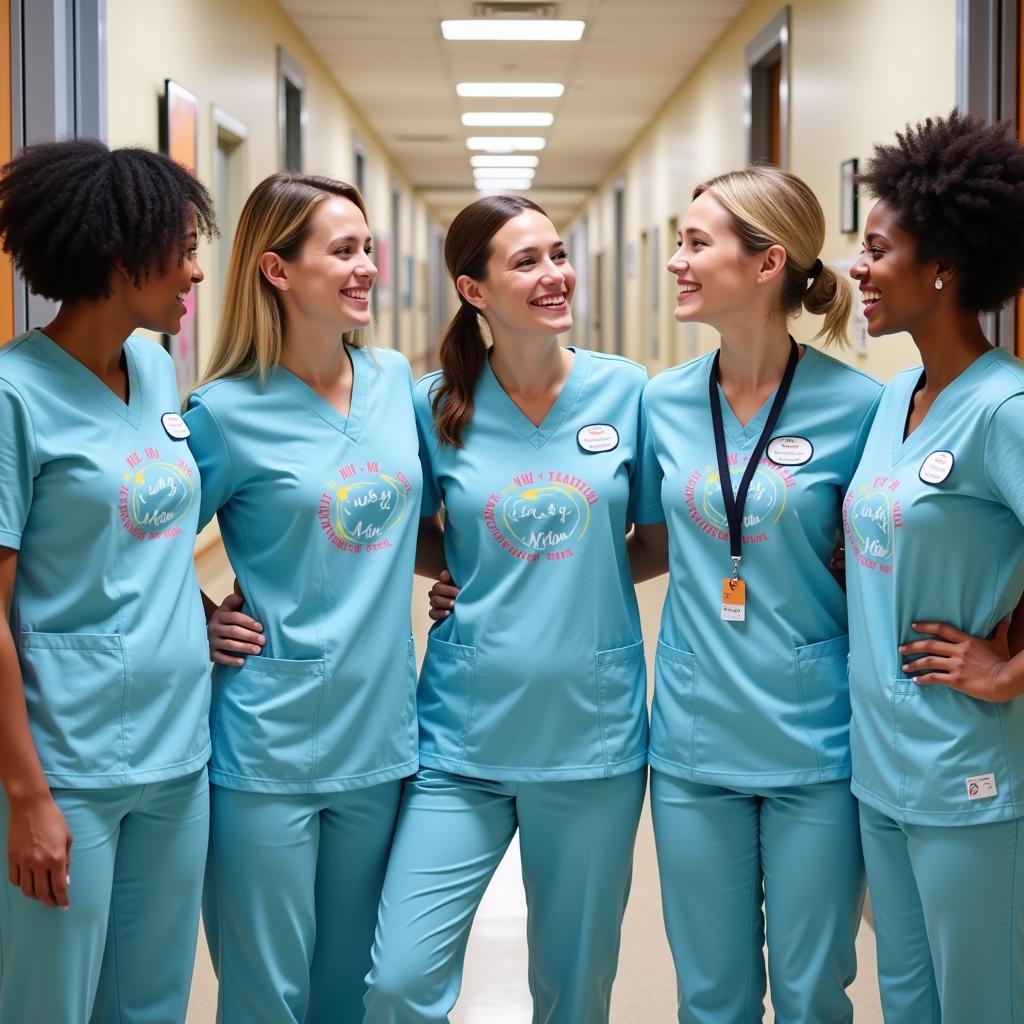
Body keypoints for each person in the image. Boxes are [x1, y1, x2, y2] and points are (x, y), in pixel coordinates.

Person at [362, 194, 648, 1024]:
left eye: (558, 255)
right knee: (399, 981)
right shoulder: (432, 404)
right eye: (527, 262)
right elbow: (396, 530)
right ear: (474, 290)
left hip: (591, 739)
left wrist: (565, 583)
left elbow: (658, 537)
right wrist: (461, 569)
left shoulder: (626, 393)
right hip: (464, 736)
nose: (555, 275)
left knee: (574, 991)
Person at [629, 167, 880, 1022]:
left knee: (815, 993)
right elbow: (641, 546)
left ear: (768, 262)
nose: (676, 262)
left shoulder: (861, 408)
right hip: (696, 745)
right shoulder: (660, 402)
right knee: (712, 995)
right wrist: (483, 584)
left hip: (818, 742)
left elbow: (890, 564)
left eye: (697, 243)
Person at [183, 173, 422, 1023]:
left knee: (349, 989)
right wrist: (200, 618)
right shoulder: (221, 413)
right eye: (342, 251)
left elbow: (415, 517)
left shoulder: (397, 383)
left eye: (368, 249)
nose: (364, 268)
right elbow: (142, 546)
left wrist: (473, 571)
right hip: (266, 741)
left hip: (382, 731)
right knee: (266, 995)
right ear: (277, 271)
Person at [0, 138, 215, 1022]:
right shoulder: (14, 396)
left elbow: (143, 530)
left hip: (177, 752)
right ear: (120, 261)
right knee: (50, 1002)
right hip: (68, 764)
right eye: (181, 249)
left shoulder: (157, 368)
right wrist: (28, 797)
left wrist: (200, 611)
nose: (196, 270)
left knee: (152, 1002)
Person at [845, 110, 1024, 1022]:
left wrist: (1010, 668)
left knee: (980, 1004)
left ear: (944, 266)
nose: (857, 269)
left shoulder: (1005, 409)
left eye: (876, 250)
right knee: (907, 1001)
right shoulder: (895, 400)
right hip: (880, 767)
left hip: (965, 772)